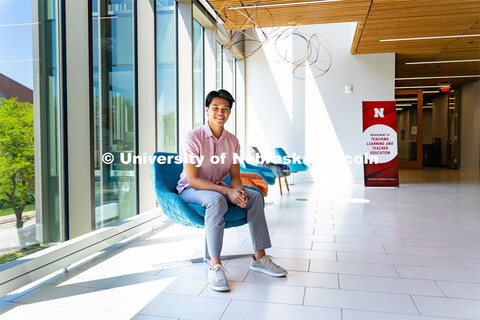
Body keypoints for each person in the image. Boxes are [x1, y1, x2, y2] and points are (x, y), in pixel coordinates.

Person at [177, 89, 287, 292]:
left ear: (229, 112)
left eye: (225, 109)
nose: (221, 112)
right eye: (215, 108)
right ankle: (215, 264)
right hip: (192, 189)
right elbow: (193, 180)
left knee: (255, 196)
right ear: (207, 110)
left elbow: (235, 177)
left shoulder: (233, 141)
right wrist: (227, 192)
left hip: (218, 188)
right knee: (216, 200)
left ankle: (259, 258)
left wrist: (239, 192)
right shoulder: (193, 138)